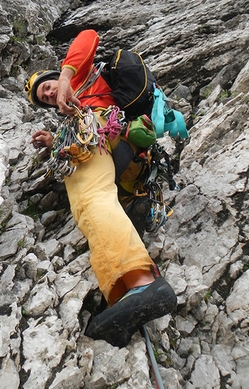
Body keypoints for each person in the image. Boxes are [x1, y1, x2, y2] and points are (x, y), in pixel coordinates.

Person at [25, 29, 177, 348]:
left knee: (92, 199)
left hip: (101, 140)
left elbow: (87, 36)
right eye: (43, 97)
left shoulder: (78, 76)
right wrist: (55, 142)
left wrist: (67, 76)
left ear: (57, 75)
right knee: (88, 207)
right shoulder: (75, 107)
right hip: (108, 146)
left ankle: (139, 282)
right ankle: (122, 294)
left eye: (47, 87)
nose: (49, 94)